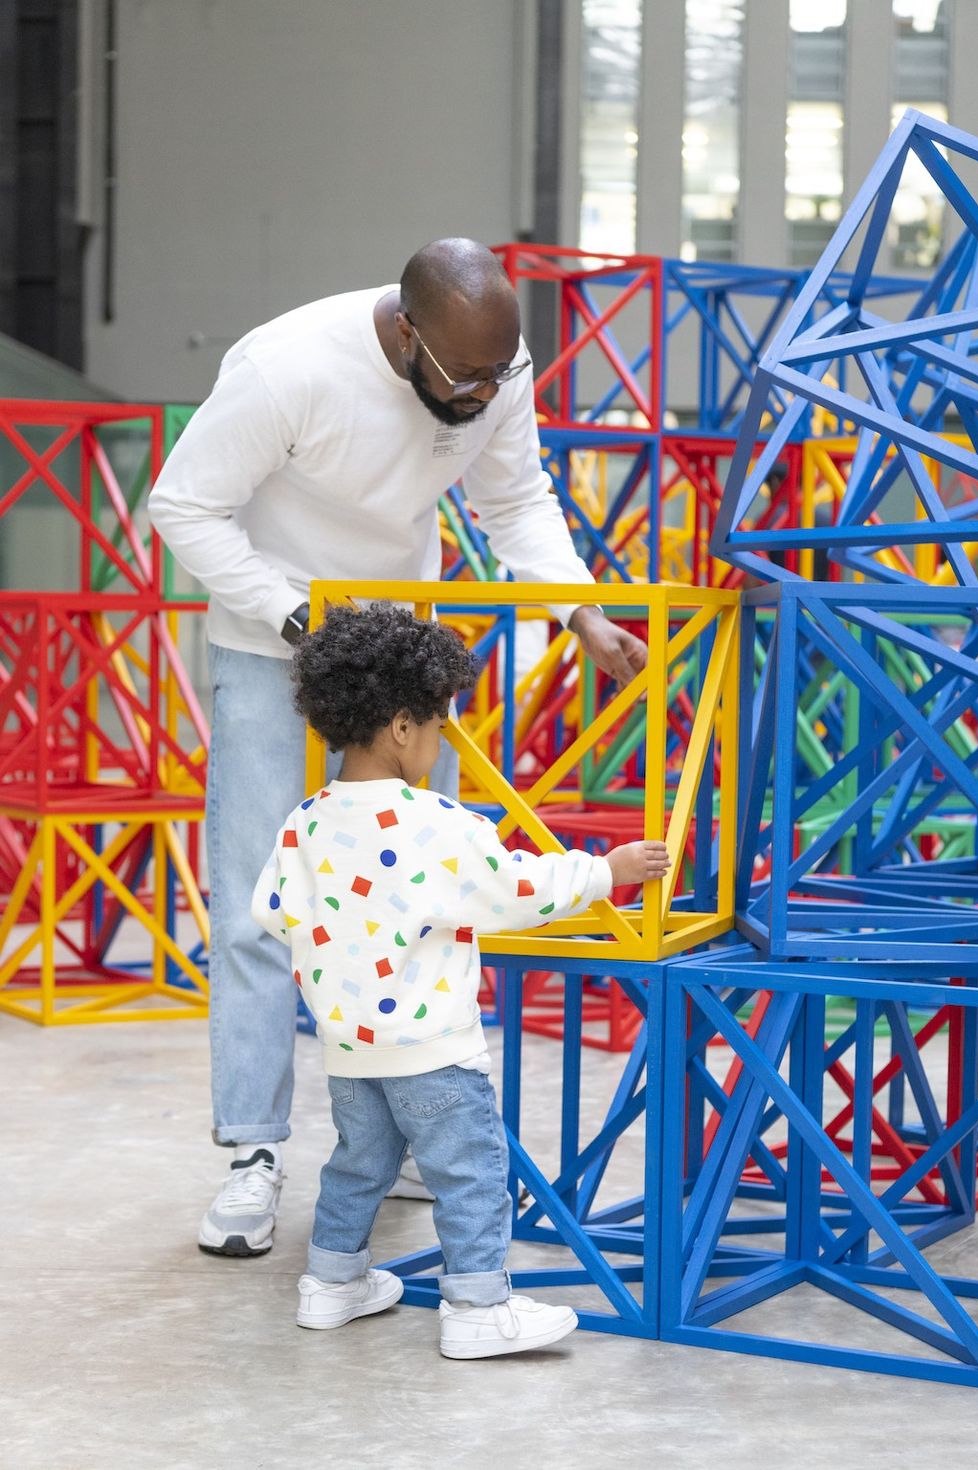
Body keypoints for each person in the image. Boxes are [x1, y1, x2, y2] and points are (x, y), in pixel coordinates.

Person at [148, 237, 648, 1256]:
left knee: (428, 892)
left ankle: (417, 1128)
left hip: (400, 652)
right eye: (463, 377)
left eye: (497, 375)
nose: (482, 395)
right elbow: (183, 505)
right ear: (408, 333)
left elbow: (516, 500)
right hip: (271, 643)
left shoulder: (493, 368)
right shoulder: (287, 368)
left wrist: (582, 615)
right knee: (258, 906)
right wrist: (294, 616)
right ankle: (253, 1153)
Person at [251, 603, 670, 1358]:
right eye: (438, 725)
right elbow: (516, 890)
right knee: (471, 1173)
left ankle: (331, 1284)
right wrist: (606, 872)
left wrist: (349, 950)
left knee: (357, 1166)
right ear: (402, 726)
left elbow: (274, 912)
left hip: (350, 1048)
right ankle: (477, 1308)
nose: (440, 740)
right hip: (433, 1049)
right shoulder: (440, 825)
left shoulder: (302, 823)